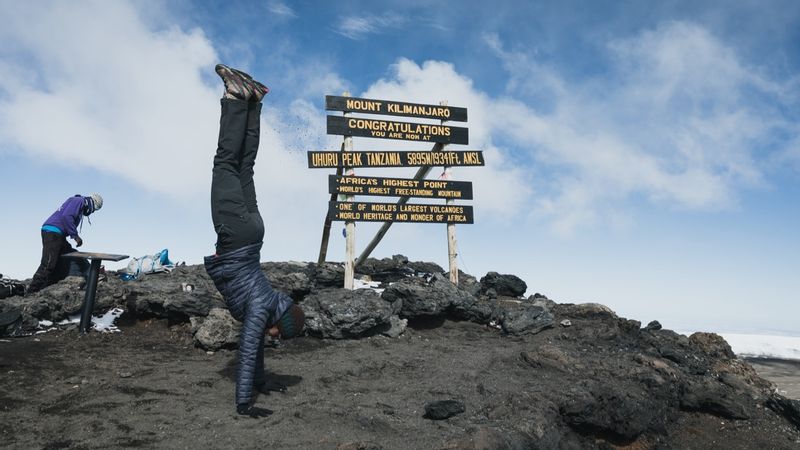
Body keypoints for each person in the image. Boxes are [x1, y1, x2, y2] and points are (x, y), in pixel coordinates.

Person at [203, 64, 306, 419]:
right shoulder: (262, 310)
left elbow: (258, 342)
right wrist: (245, 403)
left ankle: (254, 101)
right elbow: (248, 350)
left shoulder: (271, 301)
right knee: (225, 165)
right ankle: (235, 97)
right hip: (237, 237)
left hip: (255, 236)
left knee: (244, 168)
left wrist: (263, 381)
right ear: (280, 321)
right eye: (280, 334)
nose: (274, 337)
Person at [28, 194, 103, 294]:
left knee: (70, 257)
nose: (91, 212)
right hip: (53, 232)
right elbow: (66, 216)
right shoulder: (79, 201)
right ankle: (32, 291)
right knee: (48, 264)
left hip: (58, 234)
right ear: (93, 204)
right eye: (94, 209)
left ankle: (52, 285)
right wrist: (75, 236)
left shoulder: (79, 203)